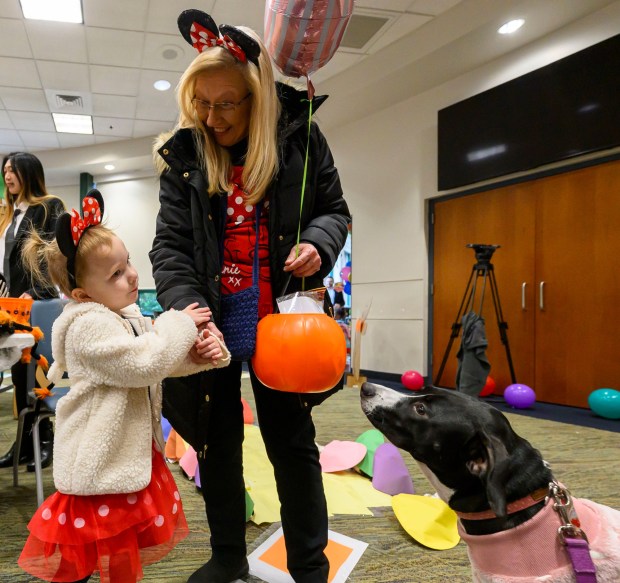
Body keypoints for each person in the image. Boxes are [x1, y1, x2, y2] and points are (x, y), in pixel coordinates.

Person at [149, 10, 350, 583]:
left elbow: (334, 211)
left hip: (280, 318)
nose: (211, 119)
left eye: (226, 104)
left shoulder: (299, 138)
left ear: (256, 99)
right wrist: (191, 310)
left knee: (292, 446)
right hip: (211, 318)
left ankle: (310, 566)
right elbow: (171, 248)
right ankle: (229, 558)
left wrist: (317, 242)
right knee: (217, 444)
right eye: (201, 105)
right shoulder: (185, 155)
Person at [17, 191, 231, 583]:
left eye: (127, 261)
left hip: (124, 453)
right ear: (82, 294)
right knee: (83, 558)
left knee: (120, 552)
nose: (132, 274)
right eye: (115, 274)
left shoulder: (123, 313)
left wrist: (199, 356)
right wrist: (179, 323)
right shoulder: (87, 326)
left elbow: (154, 363)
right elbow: (145, 362)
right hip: (97, 465)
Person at [0, 152, 65, 472]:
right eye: (5, 171)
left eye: (14, 170)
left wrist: (36, 291)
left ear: (29, 173)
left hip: (36, 304)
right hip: (12, 307)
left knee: (37, 372)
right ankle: (24, 445)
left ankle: (44, 440)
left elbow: (54, 253)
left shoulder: (47, 206)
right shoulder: (11, 214)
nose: (8, 176)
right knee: (19, 375)